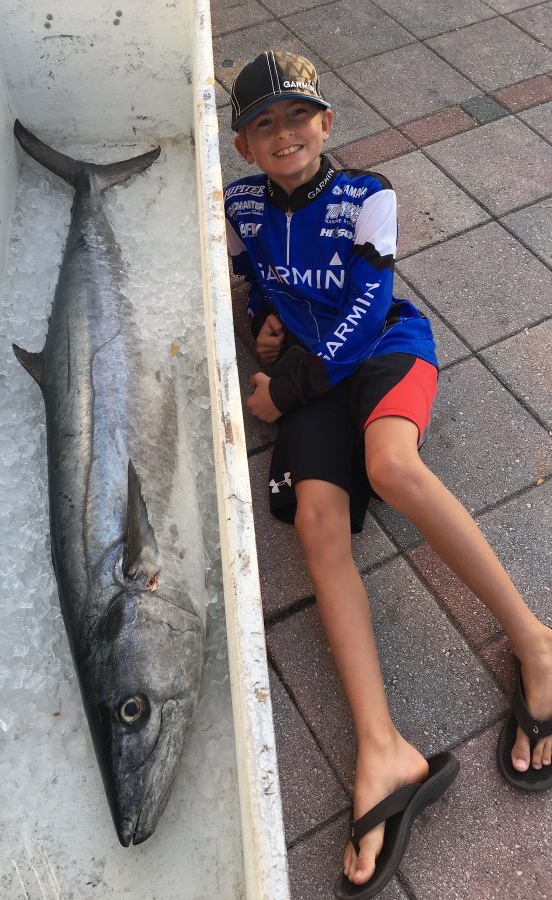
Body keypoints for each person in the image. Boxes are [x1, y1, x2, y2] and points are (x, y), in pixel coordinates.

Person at [224, 50, 552, 898]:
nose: (284, 132)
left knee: (392, 466)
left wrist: (283, 390)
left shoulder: (368, 195)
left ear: (327, 124)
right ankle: (383, 752)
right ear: (244, 148)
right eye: (264, 124)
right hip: (305, 377)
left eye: (299, 116)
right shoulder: (238, 206)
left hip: (381, 356)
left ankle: (537, 643)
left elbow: (370, 304)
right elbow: (253, 282)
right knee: (315, 524)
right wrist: (262, 323)